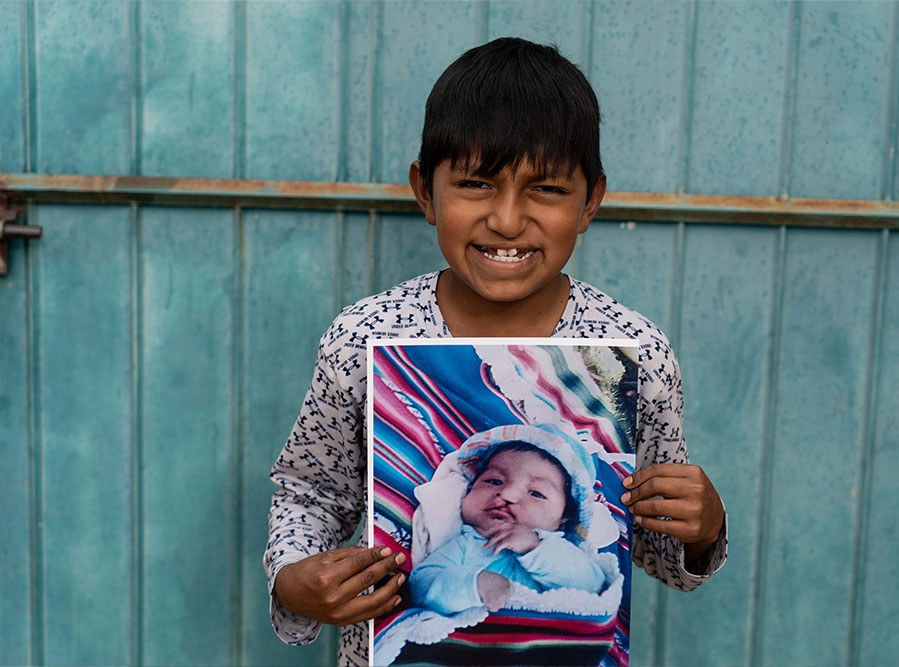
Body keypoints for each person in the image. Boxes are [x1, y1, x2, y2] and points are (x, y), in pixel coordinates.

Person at [264, 36, 728, 666]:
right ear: (426, 191)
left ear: (591, 201)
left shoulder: (633, 356)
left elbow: (642, 544)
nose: (507, 221)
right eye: (477, 183)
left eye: (547, 190)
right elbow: (311, 492)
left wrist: (702, 529)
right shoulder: (363, 335)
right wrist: (295, 580)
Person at [409, 432, 607, 617]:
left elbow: (590, 586)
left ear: (563, 522)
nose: (507, 495)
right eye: (494, 481)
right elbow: (421, 586)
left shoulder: (559, 553)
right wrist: (474, 584)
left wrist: (535, 547)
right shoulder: (467, 544)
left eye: (536, 493)